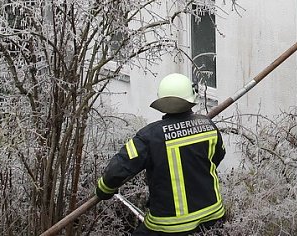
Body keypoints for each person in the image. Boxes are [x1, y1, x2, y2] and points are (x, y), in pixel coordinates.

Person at [96, 73, 226, 234]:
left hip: (169, 226)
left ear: (161, 102)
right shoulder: (208, 126)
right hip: (213, 217)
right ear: (192, 99)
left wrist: (104, 189)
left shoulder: (149, 136)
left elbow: (118, 169)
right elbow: (217, 157)